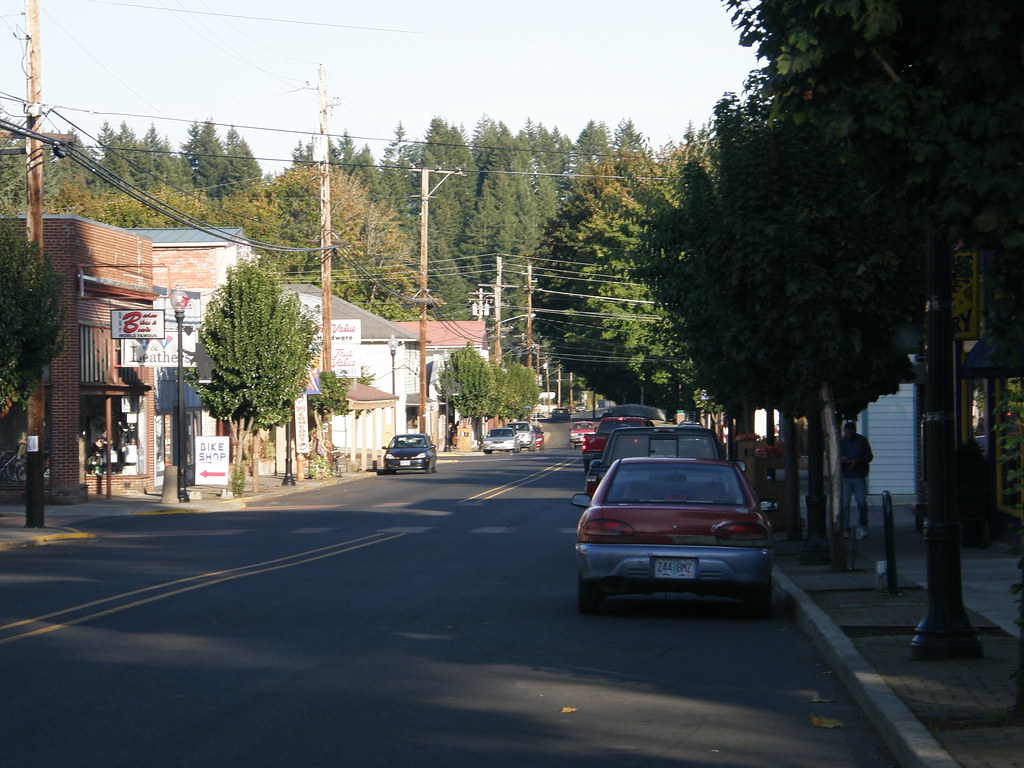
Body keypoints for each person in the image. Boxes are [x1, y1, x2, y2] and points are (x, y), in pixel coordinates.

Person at [840, 421, 873, 537]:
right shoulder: (842, 442)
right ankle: (845, 527)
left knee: (861, 502)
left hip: (858, 475)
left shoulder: (861, 441)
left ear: (854, 432)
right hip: (846, 475)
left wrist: (857, 462)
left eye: (850, 433)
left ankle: (863, 525)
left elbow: (869, 456)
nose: (848, 436)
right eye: (847, 433)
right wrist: (841, 459)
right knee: (845, 504)